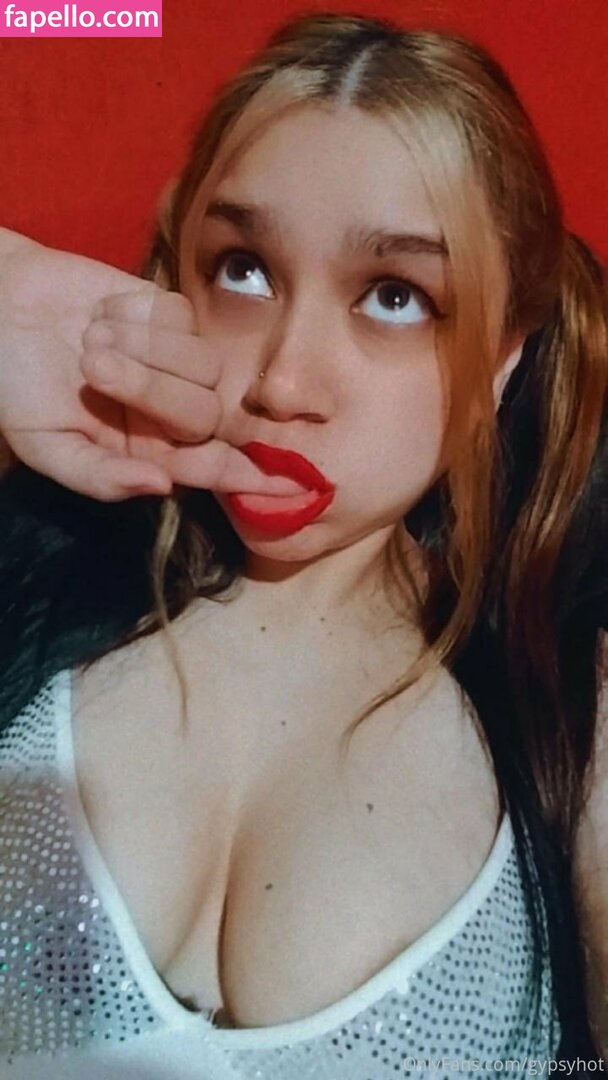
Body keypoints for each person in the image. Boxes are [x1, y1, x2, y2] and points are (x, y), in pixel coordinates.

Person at [0, 11, 607, 1078]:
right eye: (242, 270)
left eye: (393, 297)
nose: (282, 382)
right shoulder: (37, 573)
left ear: (503, 357)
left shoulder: (566, 717)